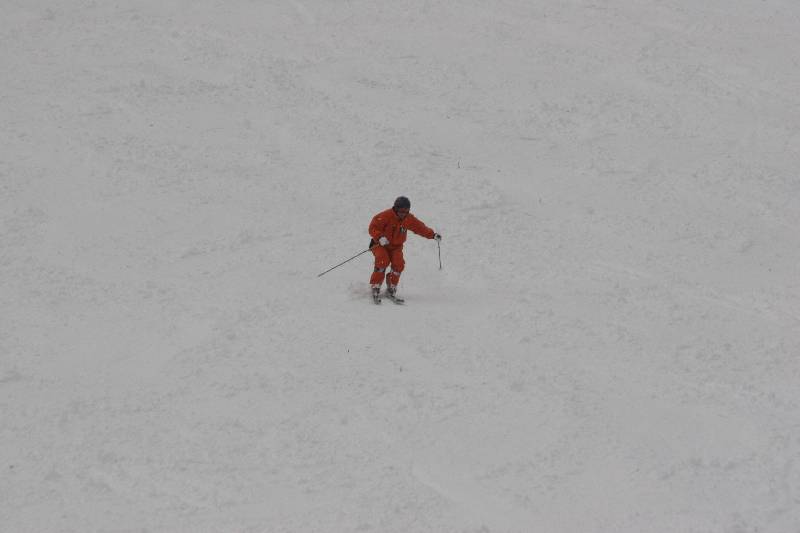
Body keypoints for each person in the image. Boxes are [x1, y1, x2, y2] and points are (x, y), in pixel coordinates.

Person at [368, 196, 441, 300]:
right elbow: (373, 227)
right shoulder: (385, 216)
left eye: (406, 211)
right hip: (380, 244)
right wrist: (380, 237)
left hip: (396, 247)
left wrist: (432, 235)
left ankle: (391, 287)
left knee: (399, 264)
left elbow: (420, 227)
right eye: (401, 211)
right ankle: (376, 285)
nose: (403, 214)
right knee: (383, 260)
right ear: (396, 208)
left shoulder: (408, 219)